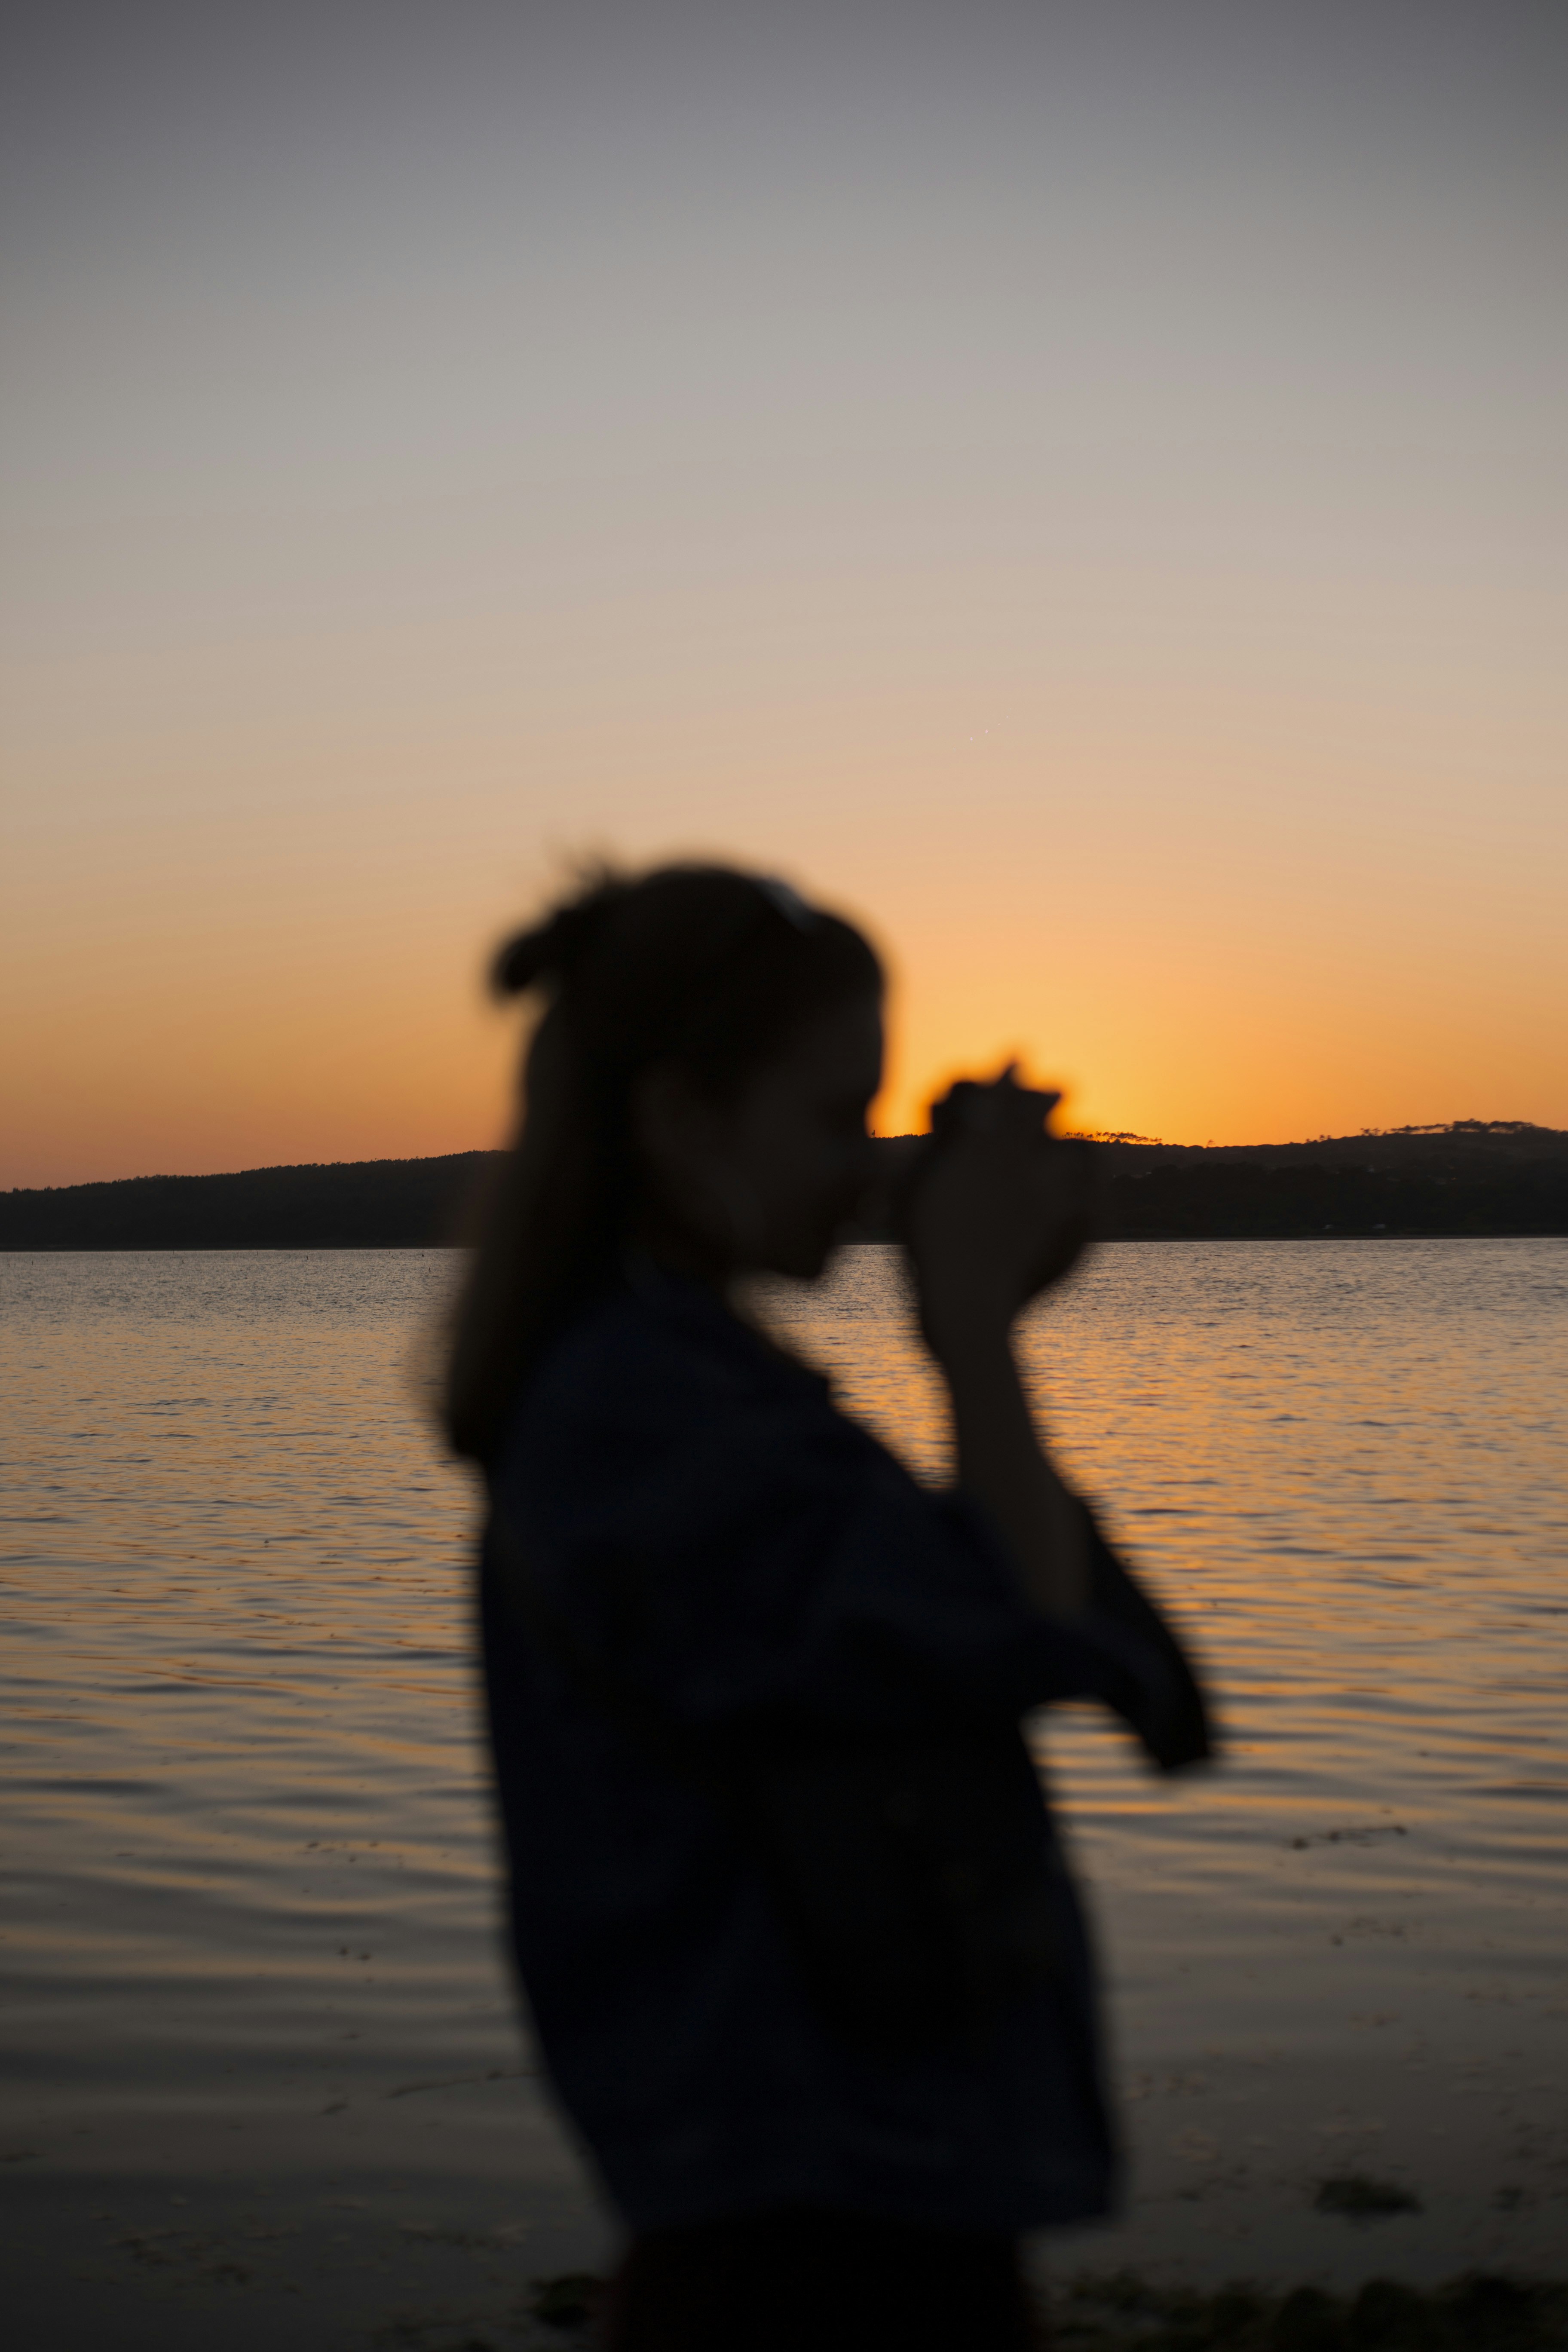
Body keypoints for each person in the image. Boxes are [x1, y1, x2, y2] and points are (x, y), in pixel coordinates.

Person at [442, 862, 1212, 2352]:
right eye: (835, 1116)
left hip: (846, 2178)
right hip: (803, 2202)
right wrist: (972, 1327)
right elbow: (1006, 1633)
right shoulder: (641, 1416)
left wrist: (979, 1318)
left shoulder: (701, 1391)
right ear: (682, 1120)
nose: (868, 1170)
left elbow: (1038, 1628)